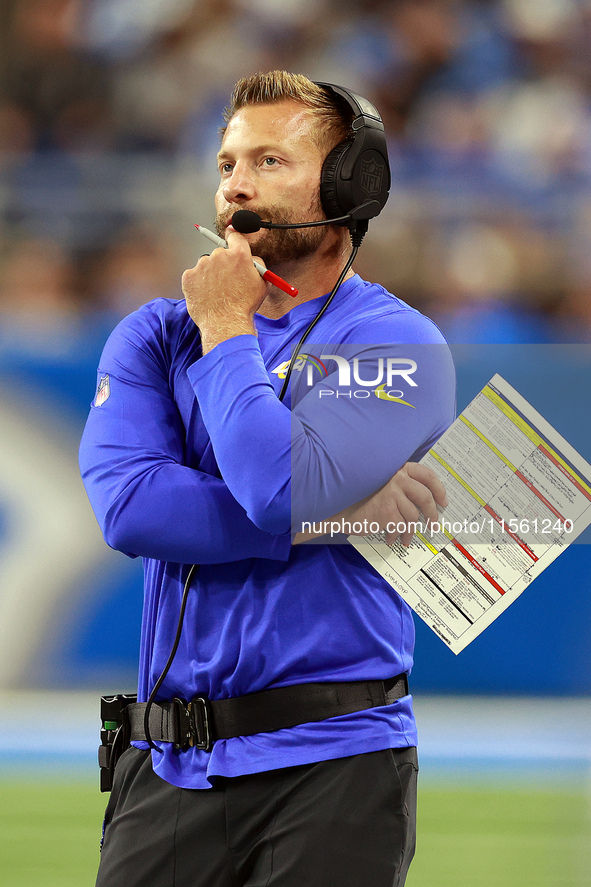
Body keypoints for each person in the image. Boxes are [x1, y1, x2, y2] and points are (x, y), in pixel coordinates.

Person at [79, 71, 455, 887]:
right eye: (225, 164)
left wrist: (225, 325)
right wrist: (340, 510)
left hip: (336, 763)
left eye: (270, 161)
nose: (235, 184)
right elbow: (133, 509)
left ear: (352, 183)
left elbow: (276, 488)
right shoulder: (150, 334)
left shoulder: (397, 343)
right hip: (167, 764)